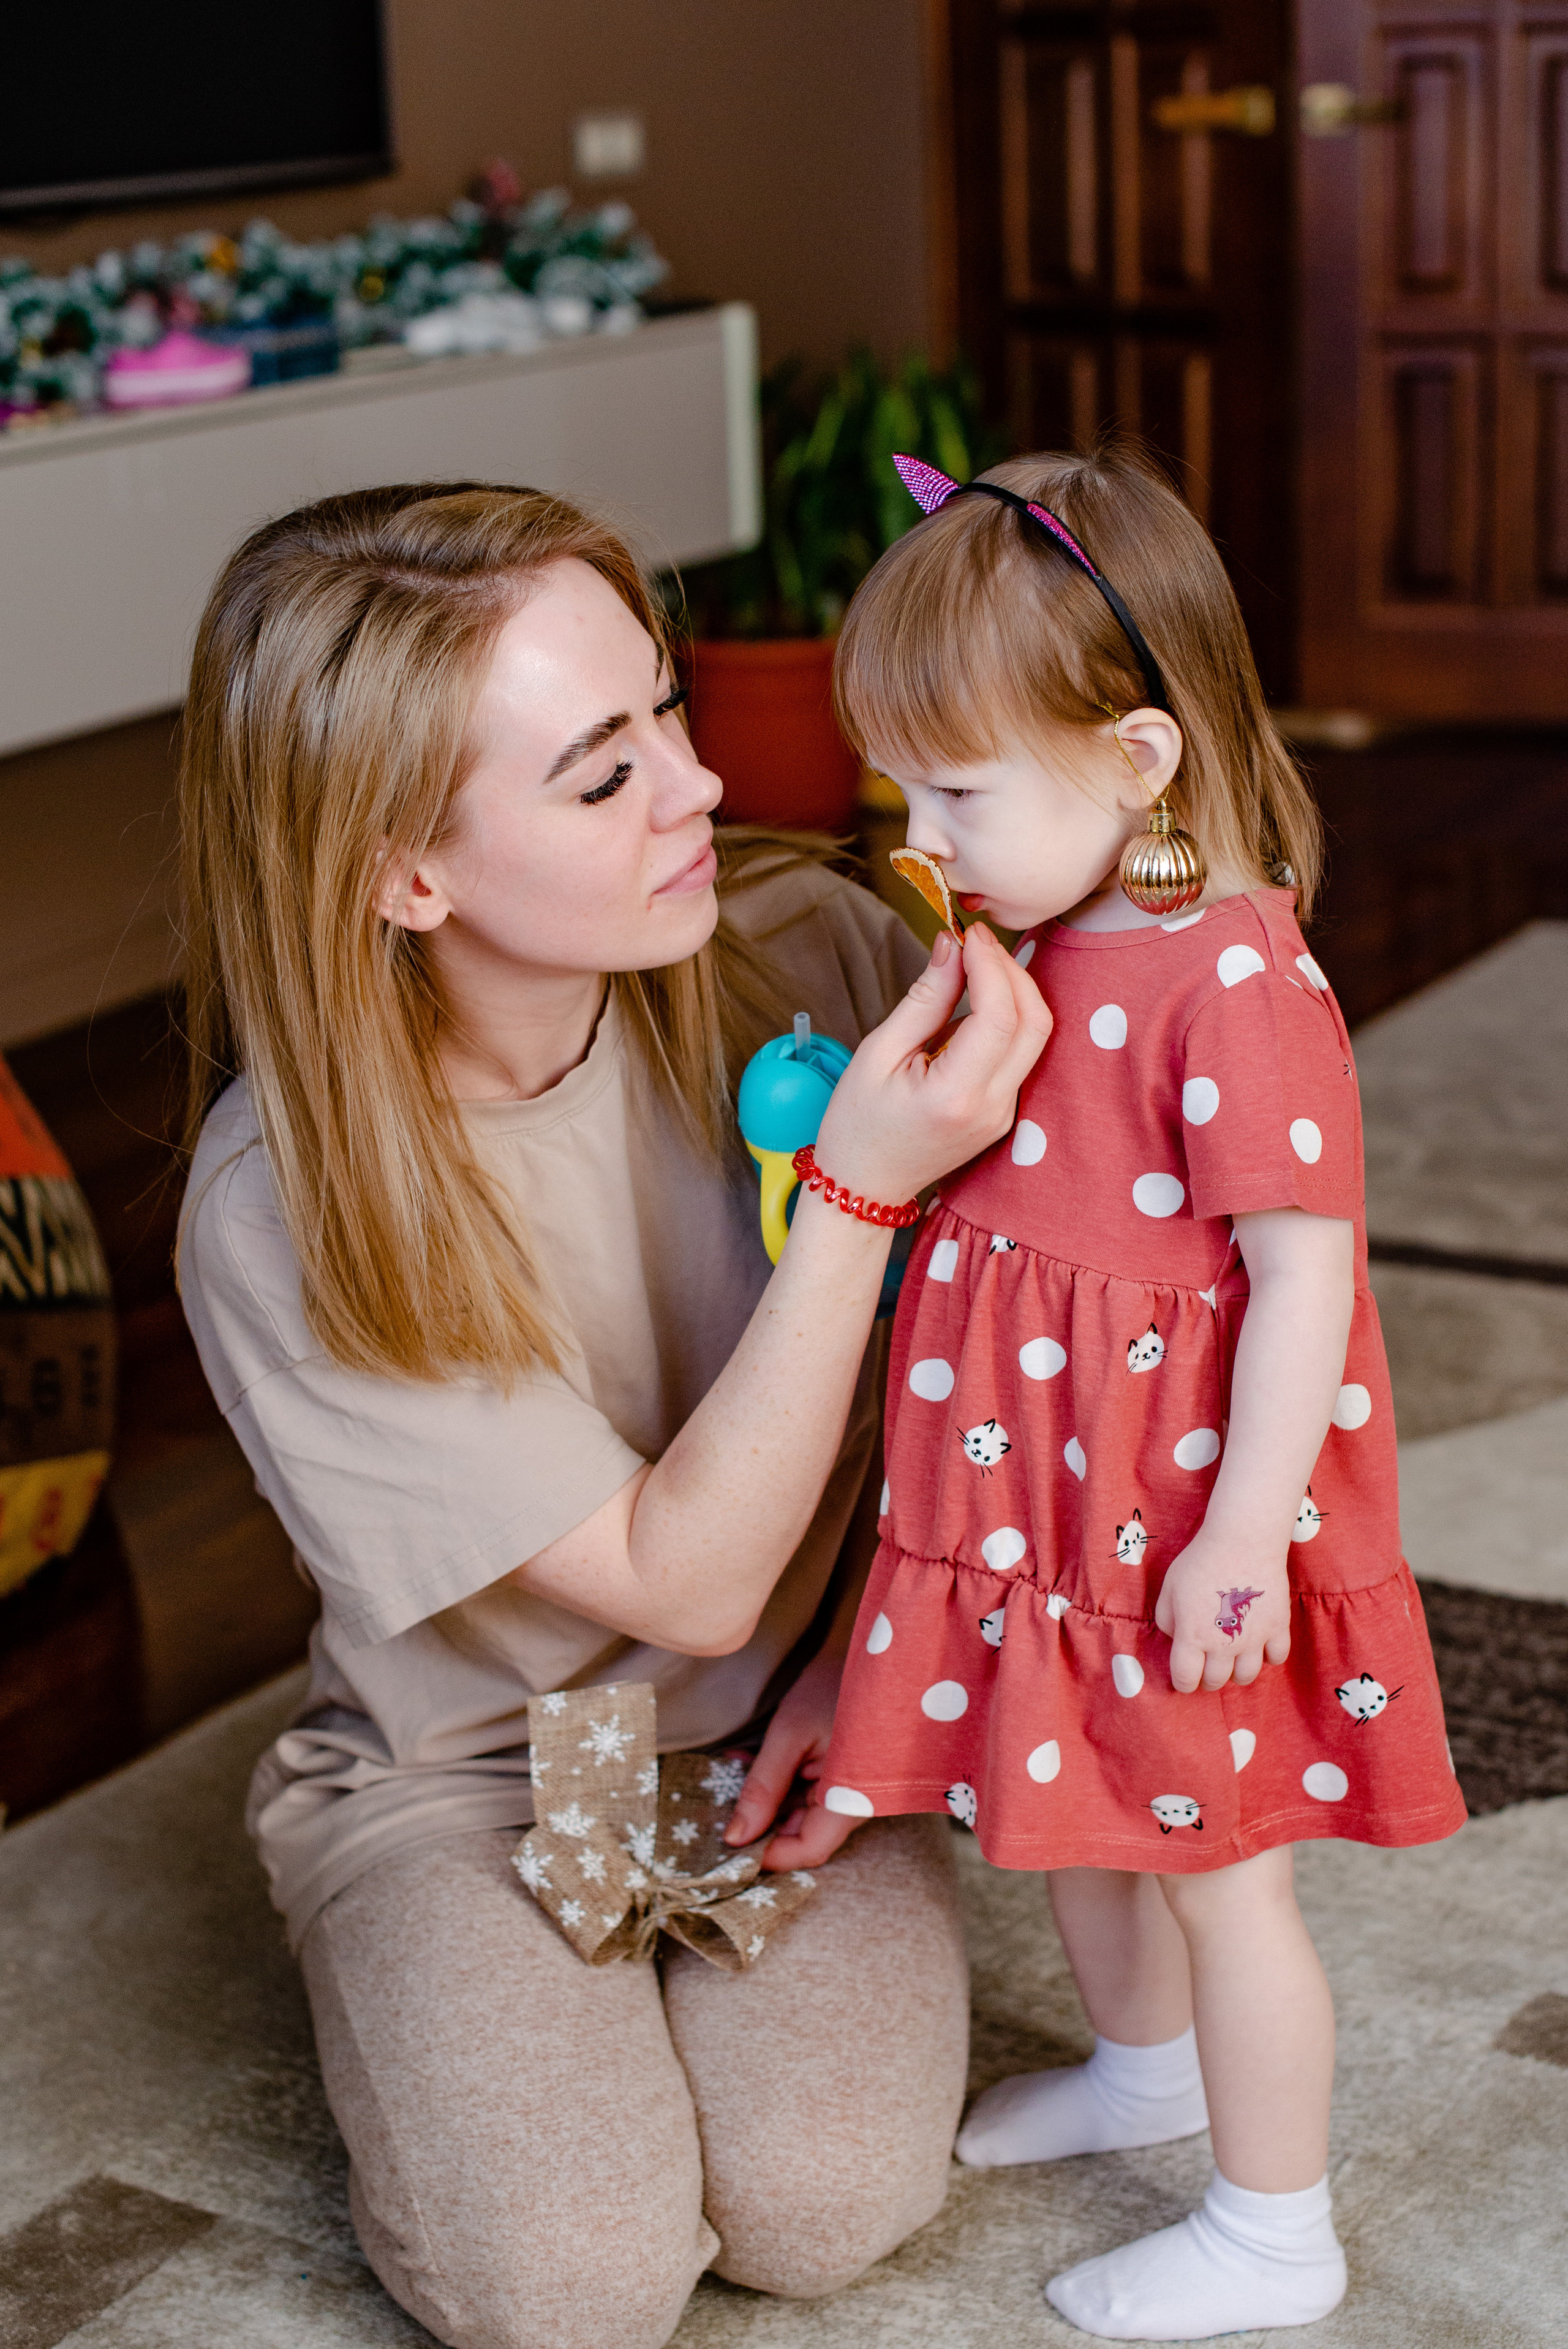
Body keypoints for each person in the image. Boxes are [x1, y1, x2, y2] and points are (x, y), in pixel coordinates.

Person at [175, 480, 1052, 2349]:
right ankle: (416, 1960)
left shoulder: (808, 950)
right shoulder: (288, 1206)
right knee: (571, 2285)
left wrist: (884, 1668)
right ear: (405, 875)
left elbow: (1098, 1251)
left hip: (811, 1710)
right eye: (602, 772)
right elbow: (689, 1583)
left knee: (822, 2204)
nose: (700, 784)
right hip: (475, 1770)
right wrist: (861, 1202)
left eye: (663, 705)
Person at [813, 444, 1467, 2341]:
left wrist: (1244, 1535)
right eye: (898, 788)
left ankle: (1279, 2226)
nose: (917, 835)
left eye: (955, 789)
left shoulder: (1234, 985)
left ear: (1140, 763)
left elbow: (1304, 1283)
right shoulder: (1027, 937)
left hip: (1183, 1514)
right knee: (1068, 1803)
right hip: (1037, 1494)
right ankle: (1139, 2070)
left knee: (1225, 1874)